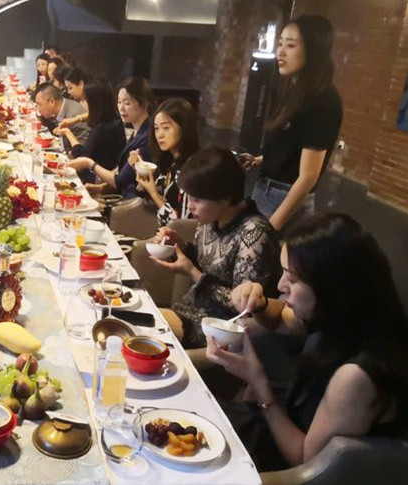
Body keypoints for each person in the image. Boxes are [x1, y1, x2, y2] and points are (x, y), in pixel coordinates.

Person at [209, 214, 408, 471]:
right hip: (270, 430)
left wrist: (258, 382)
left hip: (284, 467)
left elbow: (306, 463)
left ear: (331, 287)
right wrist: (258, 303)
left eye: (292, 279)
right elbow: (281, 318)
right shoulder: (344, 318)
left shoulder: (357, 376)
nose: (281, 285)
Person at [151, 146, 280, 349]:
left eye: (197, 199)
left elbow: (244, 306)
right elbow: (205, 261)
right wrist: (180, 246)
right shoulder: (210, 219)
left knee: (150, 328)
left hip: (223, 328)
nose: (190, 206)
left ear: (225, 198)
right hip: (191, 309)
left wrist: (193, 273)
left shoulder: (254, 232)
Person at [242, 16, 342, 233]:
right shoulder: (295, 93)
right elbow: (292, 147)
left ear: (313, 50)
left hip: (283, 199)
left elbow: (308, 177)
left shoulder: (322, 100)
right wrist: (260, 160)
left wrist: (273, 226)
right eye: (280, 44)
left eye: (290, 45)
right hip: (266, 191)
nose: (281, 52)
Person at [67, 76, 156, 197]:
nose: (121, 108)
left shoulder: (146, 138)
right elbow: (125, 176)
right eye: (119, 102)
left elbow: (121, 182)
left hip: (129, 203)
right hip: (120, 196)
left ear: (144, 103)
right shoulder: (137, 132)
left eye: (127, 103)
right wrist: (100, 188)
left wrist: (89, 164)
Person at [135, 98, 200, 226]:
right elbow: (146, 198)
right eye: (156, 128)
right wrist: (141, 171)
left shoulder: (192, 171)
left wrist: (154, 193)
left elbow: (182, 225)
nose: (159, 135)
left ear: (184, 128)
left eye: (166, 128)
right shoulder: (169, 162)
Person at [54, 80, 125, 183]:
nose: (83, 104)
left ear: (95, 103)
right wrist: (76, 119)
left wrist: (67, 132)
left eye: (85, 100)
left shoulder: (102, 129)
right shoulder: (113, 116)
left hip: (98, 178)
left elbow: (81, 156)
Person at [33, 82, 90, 151]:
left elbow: (81, 152)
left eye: (39, 105)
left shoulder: (74, 116)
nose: (38, 109)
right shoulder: (62, 107)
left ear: (52, 102)